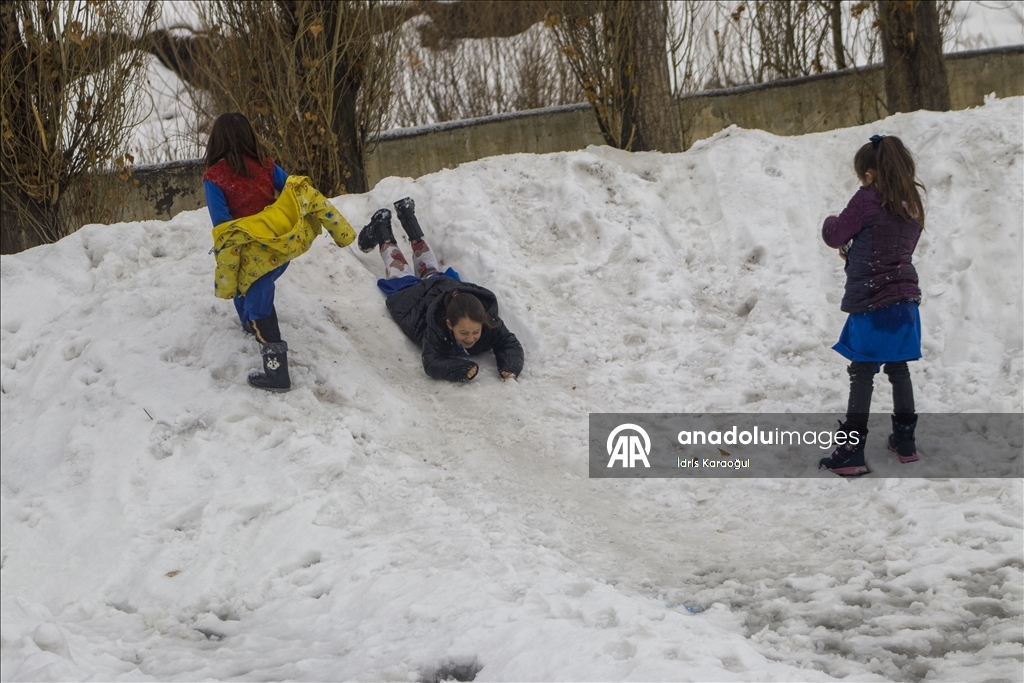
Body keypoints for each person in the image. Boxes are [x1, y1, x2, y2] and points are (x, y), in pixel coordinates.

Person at [204, 112, 356, 392]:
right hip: (279, 247)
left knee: (258, 303)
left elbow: (221, 225)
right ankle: (249, 321)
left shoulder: (214, 179)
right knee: (253, 291)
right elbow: (293, 188)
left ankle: (276, 373)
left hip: (251, 254)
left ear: (216, 142)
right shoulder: (265, 165)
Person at [818, 134, 925, 476]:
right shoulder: (912, 202)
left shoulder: (866, 198)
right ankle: (905, 441)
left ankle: (851, 451)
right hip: (905, 302)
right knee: (899, 367)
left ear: (869, 173)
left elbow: (836, 235)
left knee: (862, 372)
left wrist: (832, 222)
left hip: (871, 302)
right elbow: (895, 246)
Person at [358, 197, 524, 382]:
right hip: (414, 298)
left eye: (475, 332)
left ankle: (408, 216)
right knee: (400, 270)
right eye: (463, 333)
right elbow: (431, 362)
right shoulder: (436, 328)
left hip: (442, 285)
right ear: (449, 324)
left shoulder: (489, 323)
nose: (470, 338)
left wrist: (509, 366)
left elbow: (510, 343)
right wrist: (462, 369)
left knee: (430, 270)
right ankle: (383, 229)